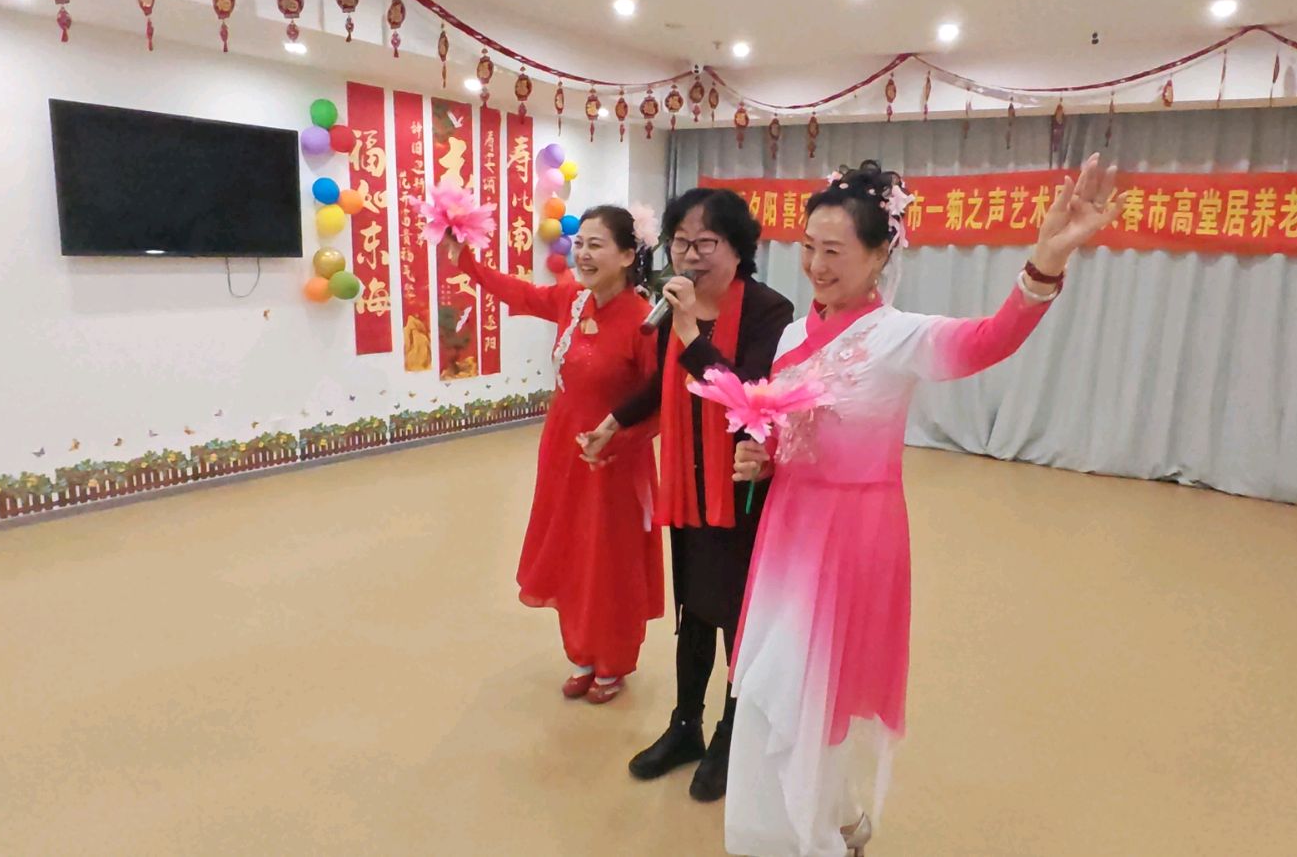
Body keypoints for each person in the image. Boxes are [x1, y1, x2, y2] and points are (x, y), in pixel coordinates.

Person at [725, 155, 1121, 857]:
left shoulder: (897, 336)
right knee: (775, 689)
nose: (816, 265)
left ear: (881, 254)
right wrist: (763, 454)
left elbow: (988, 339)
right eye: (808, 247)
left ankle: (815, 833)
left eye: (834, 251)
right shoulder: (789, 336)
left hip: (853, 534)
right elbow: (787, 434)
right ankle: (807, 823)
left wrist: (1046, 260)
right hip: (787, 530)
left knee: (817, 692)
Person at [579, 188, 795, 802]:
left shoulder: (769, 310)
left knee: (735, 615)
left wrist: (690, 329)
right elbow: (662, 385)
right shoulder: (672, 306)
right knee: (694, 609)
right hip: (688, 483)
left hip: (742, 488)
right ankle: (685, 726)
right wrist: (614, 422)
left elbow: (744, 391)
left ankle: (731, 733)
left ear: (738, 248)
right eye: (681, 243)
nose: (691, 256)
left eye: (706, 243)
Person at [458, 205, 663, 704]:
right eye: (580, 243)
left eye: (596, 244)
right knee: (573, 553)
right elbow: (520, 293)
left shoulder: (643, 321)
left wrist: (616, 442)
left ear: (627, 255)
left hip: (614, 461)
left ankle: (613, 660)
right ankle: (583, 654)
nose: (583, 254)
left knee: (608, 561)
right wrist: (466, 260)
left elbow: (661, 403)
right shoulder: (572, 299)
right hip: (563, 452)